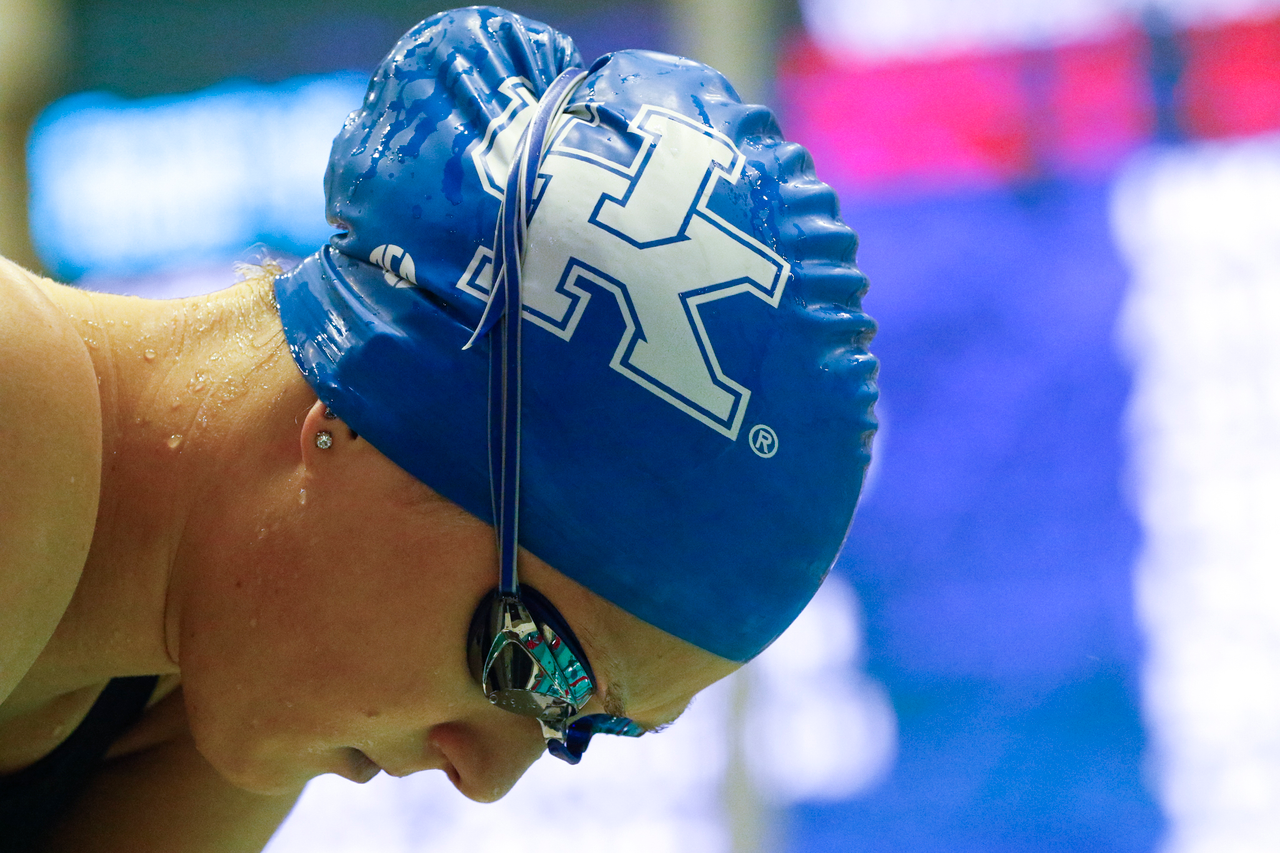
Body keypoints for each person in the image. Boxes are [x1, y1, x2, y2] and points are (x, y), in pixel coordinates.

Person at [0, 6, 878, 851]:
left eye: (576, 727)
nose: (486, 777)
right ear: (365, 407)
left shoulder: (211, 674)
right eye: (529, 665)